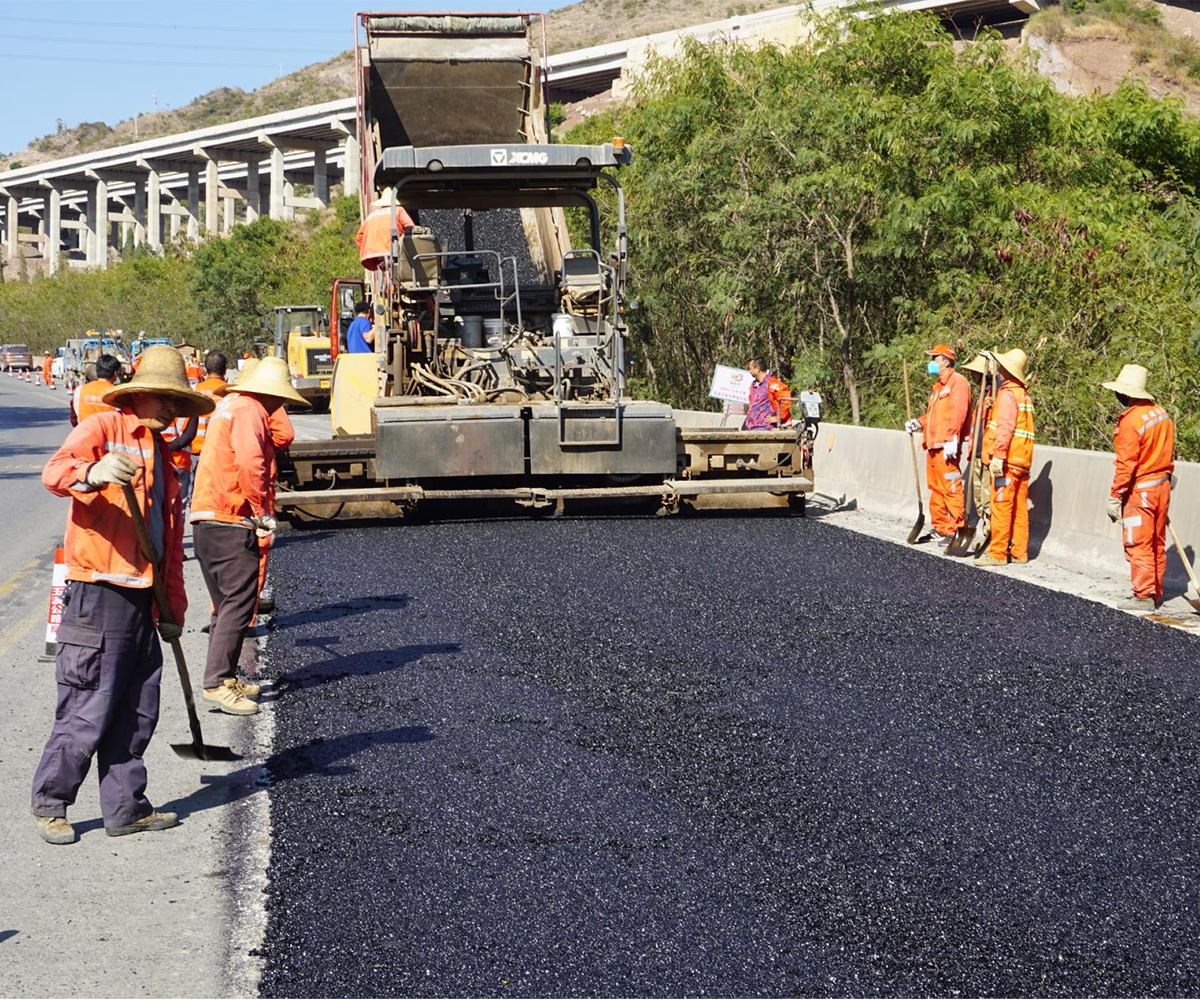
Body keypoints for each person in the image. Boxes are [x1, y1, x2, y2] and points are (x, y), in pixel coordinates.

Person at [32, 346, 214, 845]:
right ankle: (51, 803)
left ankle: (125, 808)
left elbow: (169, 545)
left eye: (178, 402)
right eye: (164, 399)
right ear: (138, 394)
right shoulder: (103, 429)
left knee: (137, 709)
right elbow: (54, 473)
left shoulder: (166, 460)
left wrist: (172, 609)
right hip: (98, 591)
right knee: (87, 706)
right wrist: (92, 474)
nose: (172, 409)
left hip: (143, 597)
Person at [190, 357, 308, 716]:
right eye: (280, 398)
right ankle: (216, 683)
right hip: (229, 517)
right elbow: (250, 462)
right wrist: (260, 512)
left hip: (208, 516)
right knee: (239, 602)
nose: (280, 405)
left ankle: (225, 679)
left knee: (226, 604)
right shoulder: (250, 410)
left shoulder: (231, 405)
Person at [1101, 363, 1175, 610]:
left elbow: (1126, 464)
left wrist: (1115, 495)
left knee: (1139, 541)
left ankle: (1143, 596)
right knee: (1156, 541)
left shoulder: (1131, 420)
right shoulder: (1162, 414)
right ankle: (1155, 591)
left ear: (1126, 393)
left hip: (1141, 490)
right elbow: (1167, 451)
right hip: (1162, 487)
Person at [904, 343, 969, 543]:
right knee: (936, 489)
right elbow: (934, 416)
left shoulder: (958, 382)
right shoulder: (938, 387)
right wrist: (918, 423)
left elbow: (957, 413)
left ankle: (957, 529)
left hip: (945, 446)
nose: (932, 362)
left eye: (935, 358)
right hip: (932, 445)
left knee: (951, 487)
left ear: (946, 361)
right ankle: (941, 527)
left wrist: (952, 438)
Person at [975, 348, 1034, 567]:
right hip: (1022, 460)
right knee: (1019, 508)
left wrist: (998, 456)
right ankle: (1019, 552)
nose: (999, 370)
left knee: (1001, 505)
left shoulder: (1008, 394)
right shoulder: (1023, 394)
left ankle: (998, 552)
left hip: (1007, 460)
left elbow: (1005, 428)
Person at [961, 353, 995, 539]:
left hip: (988, 454)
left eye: (974, 372)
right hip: (977, 452)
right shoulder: (983, 395)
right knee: (978, 497)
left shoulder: (996, 392)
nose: (971, 375)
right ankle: (984, 526)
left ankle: (991, 531)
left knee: (987, 496)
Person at [355, 189, 415, 272]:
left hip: (373, 254)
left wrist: (368, 248)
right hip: (391, 250)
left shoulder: (371, 216)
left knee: (388, 273)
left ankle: (382, 262)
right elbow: (410, 227)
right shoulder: (398, 210)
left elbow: (358, 238)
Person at [190, 351, 230, 461]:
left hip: (196, 448)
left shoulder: (193, 390)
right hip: (219, 451)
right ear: (225, 370)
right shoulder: (230, 392)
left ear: (205, 369)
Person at [72, 354, 122, 426]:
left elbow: (73, 417)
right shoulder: (117, 393)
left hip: (84, 430)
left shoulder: (80, 390)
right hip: (108, 431)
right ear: (115, 373)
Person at [742, 357, 791, 430]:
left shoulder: (773, 383)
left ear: (757, 369)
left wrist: (778, 417)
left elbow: (785, 400)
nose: (749, 371)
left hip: (764, 427)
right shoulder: (754, 385)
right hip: (750, 426)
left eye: (750, 368)